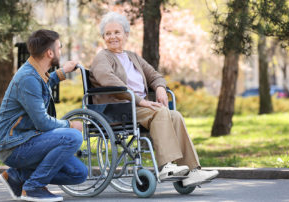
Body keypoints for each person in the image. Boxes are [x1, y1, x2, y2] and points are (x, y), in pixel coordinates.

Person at [89, 12, 219, 187]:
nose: (112, 37)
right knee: (159, 112)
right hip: (118, 109)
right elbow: (108, 80)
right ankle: (166, 166)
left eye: (117, 32)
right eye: (108, 33)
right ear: (103, 37)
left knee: (175, 116)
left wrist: (159, 88)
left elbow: (154, 75)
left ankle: (192, 170)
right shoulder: (102, 57)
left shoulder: (132, 57)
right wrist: (139, 100)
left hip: (138, 108)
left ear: (126, 35)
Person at [0, 29, 88, 202]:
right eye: (59, 48)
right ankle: (33, 187)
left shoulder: (34, 73)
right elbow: (43, 123)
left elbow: (43, 85)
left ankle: (17, 177)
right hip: (13, 146)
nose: (60, 52)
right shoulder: (27, 77)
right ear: (50, 53)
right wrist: (70, 125)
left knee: (79, 174)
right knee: (73, 137)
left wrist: (62, 72)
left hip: (27, 139)